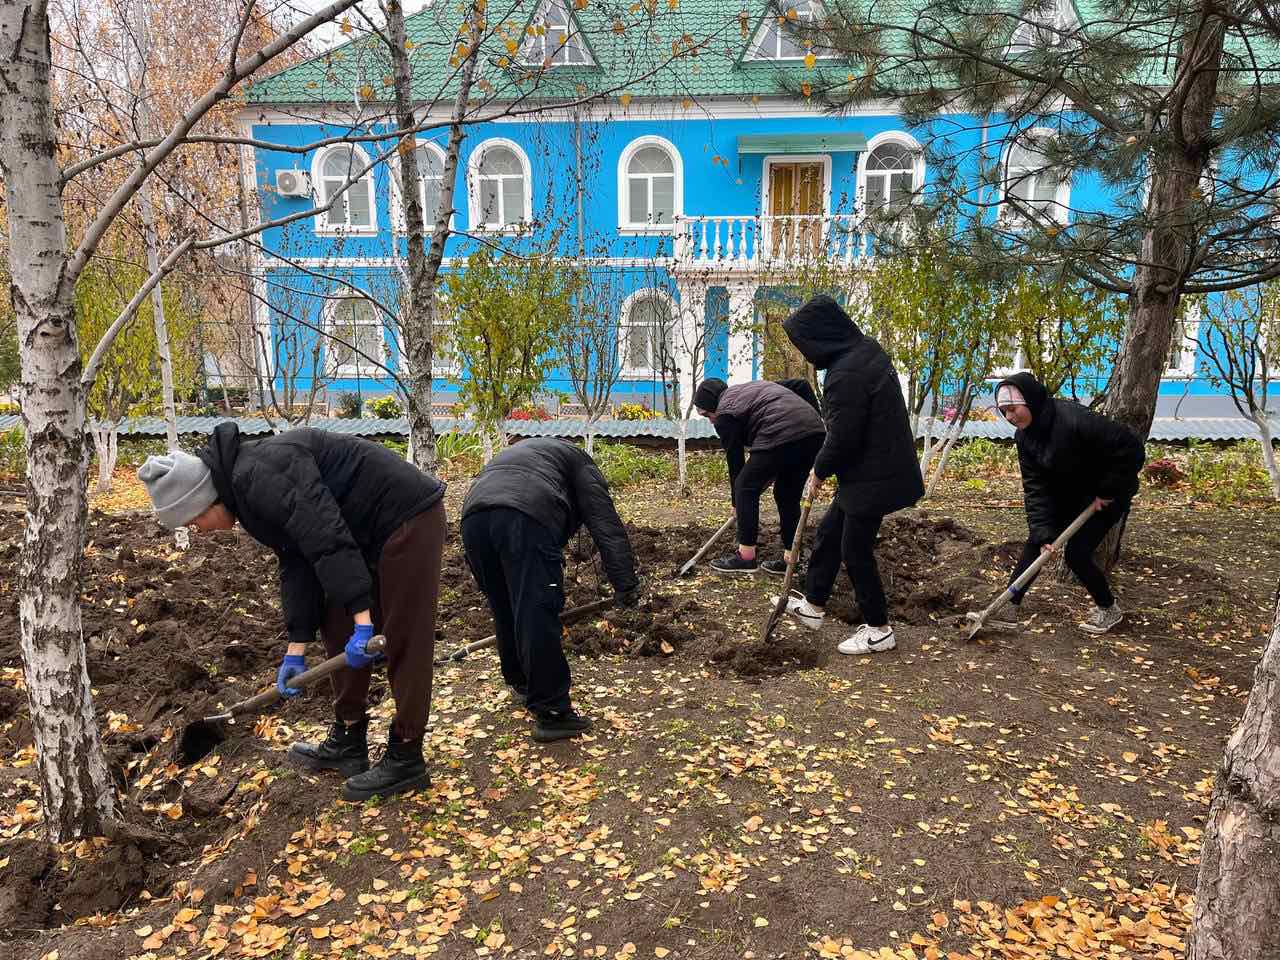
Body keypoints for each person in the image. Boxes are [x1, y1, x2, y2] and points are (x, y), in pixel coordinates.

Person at [137, 423, 446, 801]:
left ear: (204, 498)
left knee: (402, 636)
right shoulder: (242, 492)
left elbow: (325, 538)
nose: (197, 530)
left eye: (192, 520)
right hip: (360, 530)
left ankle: (407, 754)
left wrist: (364, 624)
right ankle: (349, 737)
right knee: (335, 620)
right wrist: (296, 647)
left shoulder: (260, 473)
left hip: (405, 516)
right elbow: (297, 558)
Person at [460, 438, 641, 742]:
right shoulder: (582, 463)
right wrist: (626, 584)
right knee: (536, 611)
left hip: (473, 518)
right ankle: (553, 712)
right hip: (525, 516)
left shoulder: (530, 455)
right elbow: (606, 525)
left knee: (506, 606)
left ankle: (522, 683)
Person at [778, 294, 925, 655]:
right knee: (830, 532)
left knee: (854, 548)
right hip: (877, 467)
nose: (806, 353)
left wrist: (818, 470)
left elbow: (843, 435)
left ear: (821, 336)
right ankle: (813, 605)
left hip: (875, 475)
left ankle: (879, 628)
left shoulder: (846, 374)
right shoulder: (865, 351)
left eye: (805, 344)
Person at [992, 372, 1144, 634]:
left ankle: (1109, 609)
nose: (1010, 417)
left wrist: (1108, 490)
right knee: (1035, 543)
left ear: (1029, 401)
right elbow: (1035, 486)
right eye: (1004, 412)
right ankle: (1008, 607)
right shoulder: (1024, 437)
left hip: (1107, 496)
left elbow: (1131, 449)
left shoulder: (1074, 420)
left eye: (1013, 409)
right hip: (1069, 493)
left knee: (1077, 554)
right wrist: (1043, 531)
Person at [693, 377, 825, 576]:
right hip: (814, 433)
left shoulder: (724, 414)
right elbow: (801, 385)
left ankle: (745, 557)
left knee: (745, 486)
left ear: (713, 405)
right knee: (786, 494)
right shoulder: (754, 388)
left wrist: (737, 501)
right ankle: (792, 560)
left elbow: (735, 462)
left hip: (780, 430)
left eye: (706, 415)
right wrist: (816, 418)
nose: (711, 420)